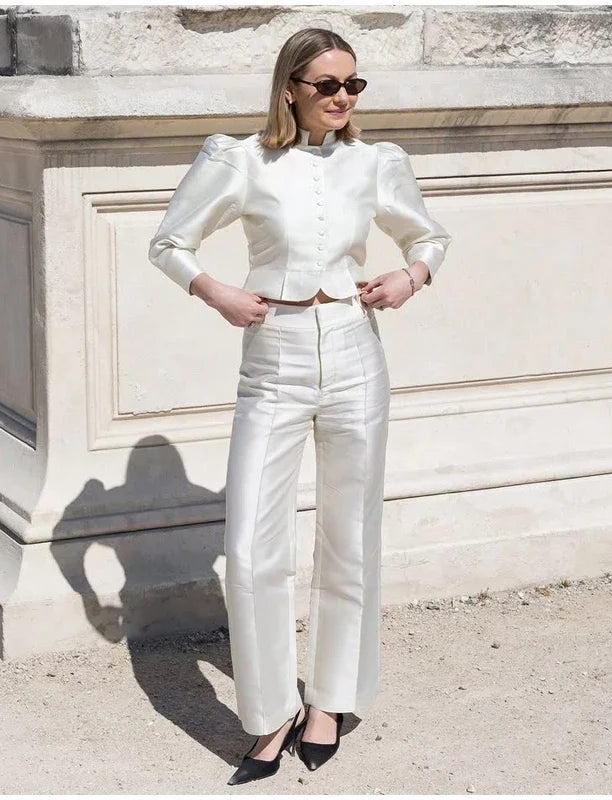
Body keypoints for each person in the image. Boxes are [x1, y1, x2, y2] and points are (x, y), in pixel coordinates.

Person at [148, 27, 452, 786]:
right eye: (328, 85)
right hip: (274, 355)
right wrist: (215, 291)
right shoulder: (240, 160)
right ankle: (270, 711)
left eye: (354, 84)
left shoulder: (376, 163)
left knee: (350, 534)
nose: (345, 97)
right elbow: (169, 242)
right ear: (291, 87)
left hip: (355, 349)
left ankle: (332, 700)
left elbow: (431, 235)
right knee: (253, 548)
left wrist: (410, 276)